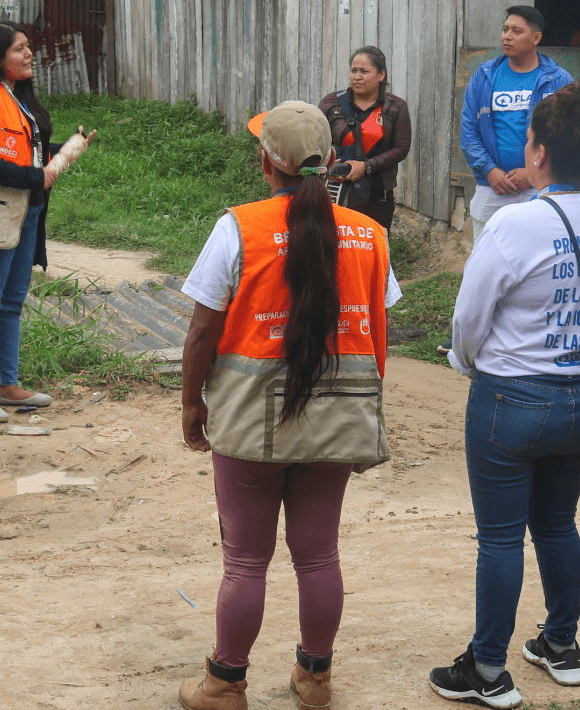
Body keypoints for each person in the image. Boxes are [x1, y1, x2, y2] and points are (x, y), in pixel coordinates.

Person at [175, 101, 399, 710]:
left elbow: (201, 332)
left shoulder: (238, 228)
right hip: (341, 413)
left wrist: (194, 404)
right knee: (319, 553)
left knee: (246, 562)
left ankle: (224, 685)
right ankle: (315, 679)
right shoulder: (370, 236)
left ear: (265, 161)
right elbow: (378, 323)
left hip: (252, 418)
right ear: (329, 162)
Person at [426, 79, 580, 709]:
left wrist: (464, 361)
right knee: (558, 523)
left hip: (512, 400)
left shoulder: (515, 224)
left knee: (502, 537)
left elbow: (468, 317)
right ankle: (560, 644)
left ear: (537, 151)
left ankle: (487, 668)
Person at [0, 22, 94, 423]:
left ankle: (6, 384)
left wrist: (65, 151)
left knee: (11, 301)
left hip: (24, 212)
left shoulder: (15, 98)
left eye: (28, 47)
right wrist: (32, 177)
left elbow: (24, 154)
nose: (29, 54)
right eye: (19, 49)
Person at [459, 6, 574, 245]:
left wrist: (532, 172)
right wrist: (489, 170)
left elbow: (568, 135)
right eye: (505, 29)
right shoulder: (485, 75)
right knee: (486, 261)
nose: (507, 36)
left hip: (539, 189)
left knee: (536, 259)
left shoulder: (558, 80)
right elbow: (469, 130)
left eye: (516, 31)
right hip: (492, 188)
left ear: (536, 38)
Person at [318, 45, 412, 230]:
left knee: (376, 244)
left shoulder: (395, 107)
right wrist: (328, 159)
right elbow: (315, 140)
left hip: (379, 192)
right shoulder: (331, 103)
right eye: (353, 70)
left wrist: (367, 166)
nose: (357, 76)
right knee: (337, 243)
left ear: (381, 75)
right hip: (336, 190)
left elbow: (401, 148)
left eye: (364, 71)